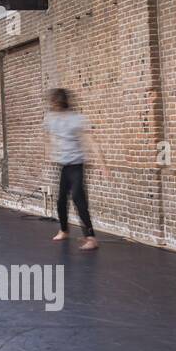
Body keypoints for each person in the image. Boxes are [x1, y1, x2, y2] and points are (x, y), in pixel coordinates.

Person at [44, 87, 106, 252]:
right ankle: (64, 230)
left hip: (77, 165)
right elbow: (49, 137)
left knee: (79, 199)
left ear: (62, 103)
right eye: (53, 104)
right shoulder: (51, 118)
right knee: (60, 201)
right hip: (63, 166)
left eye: (56, 103)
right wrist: (49, 151)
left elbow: (91, 141)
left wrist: (102, 165)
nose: (54, 106)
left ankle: (91, 238)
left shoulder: (76, 119)